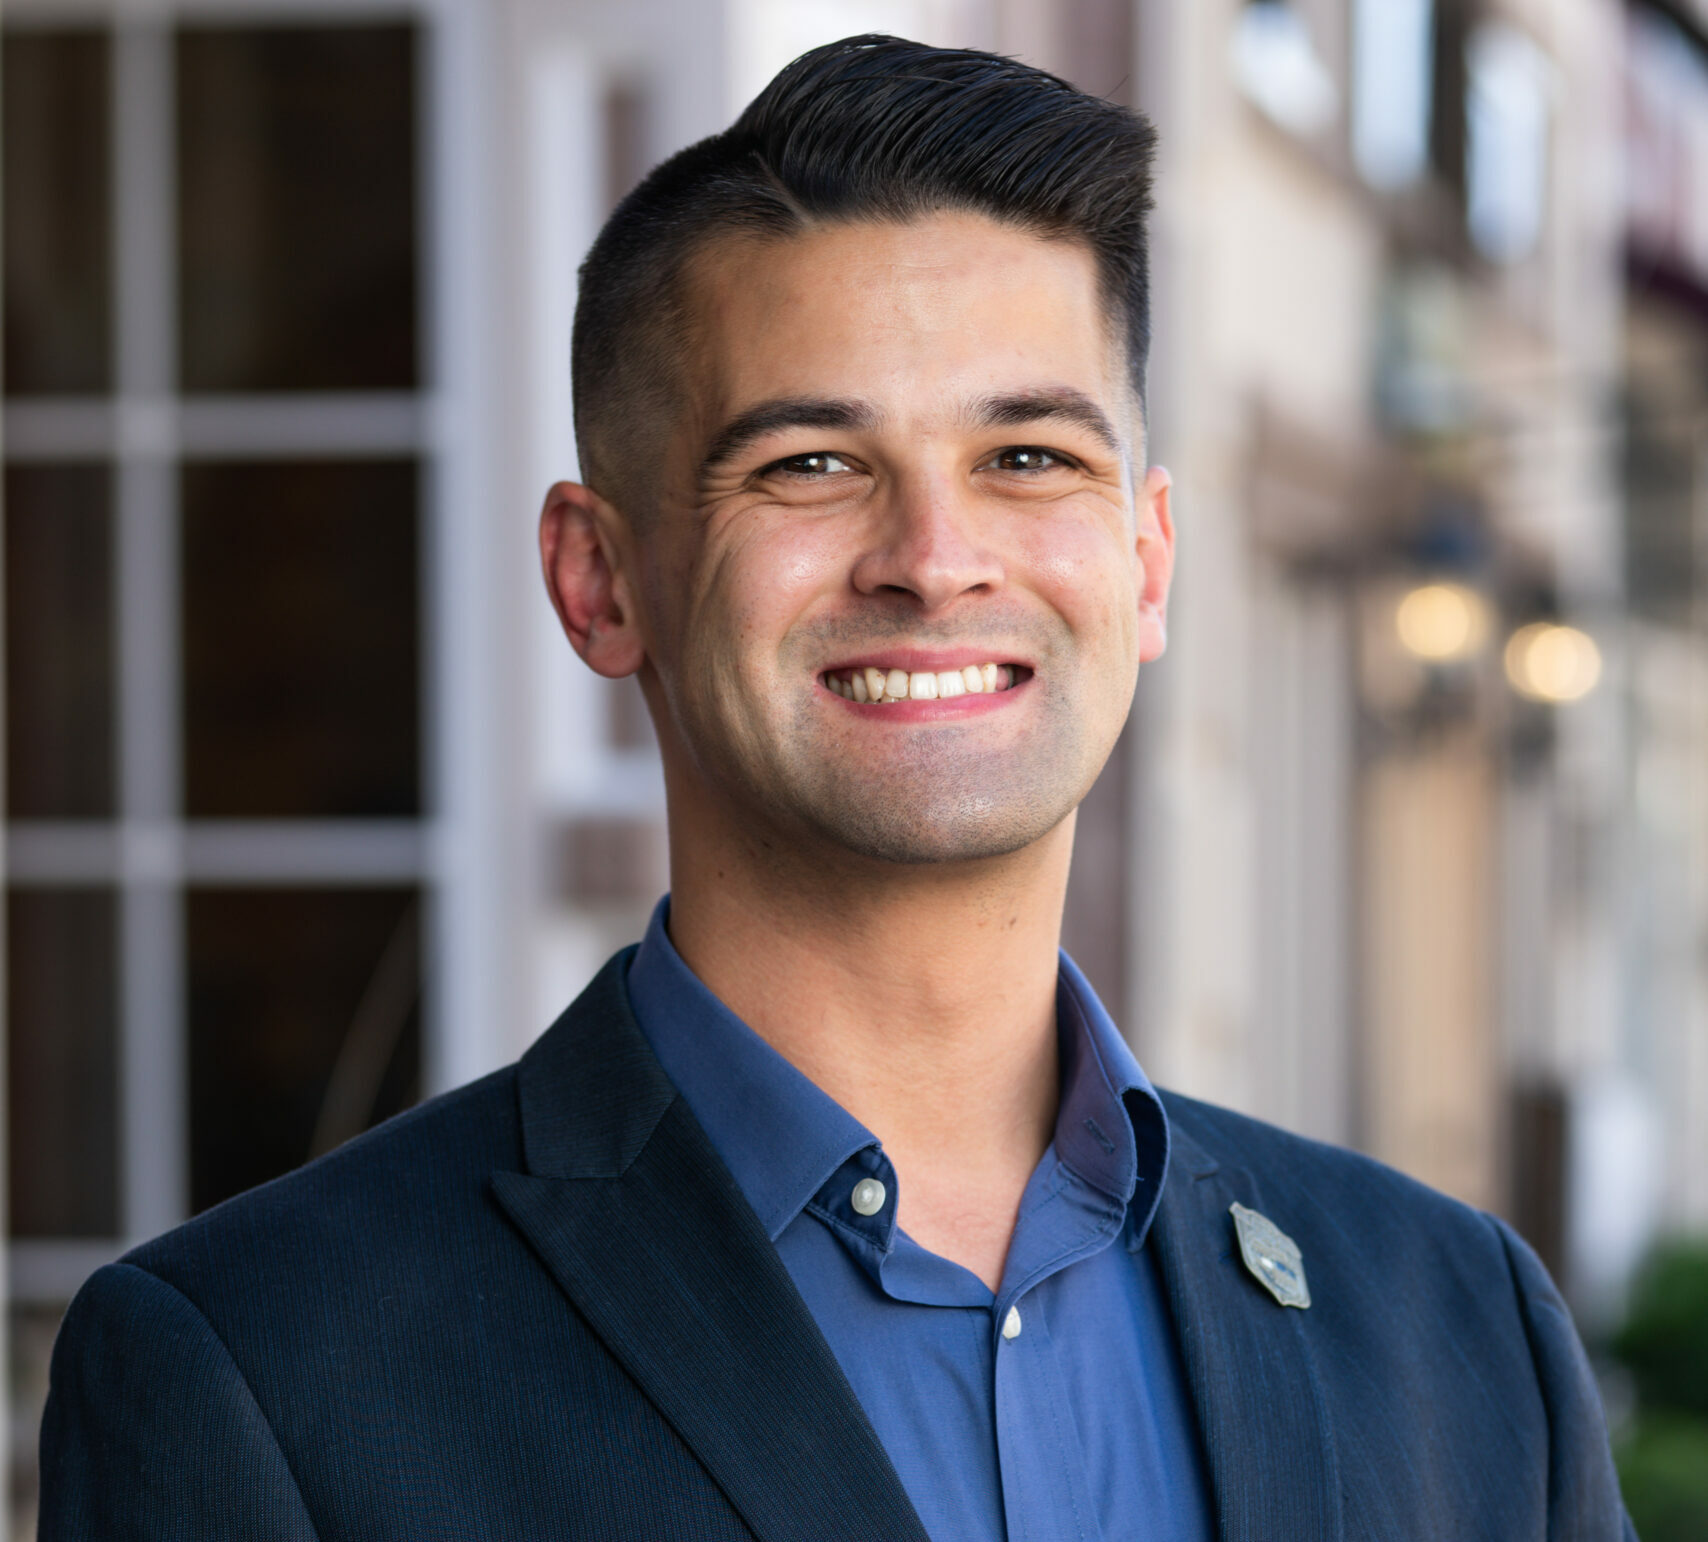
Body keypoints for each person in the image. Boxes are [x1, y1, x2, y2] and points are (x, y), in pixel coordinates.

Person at [41, 35, 1631, 1541]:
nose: (935, 559)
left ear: (1145, 561)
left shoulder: (1462, 1330)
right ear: (602, 582)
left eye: (1028, 458)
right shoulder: (261, 1371)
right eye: (809, 463)